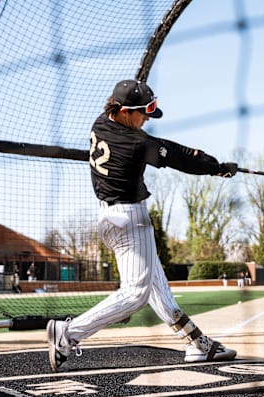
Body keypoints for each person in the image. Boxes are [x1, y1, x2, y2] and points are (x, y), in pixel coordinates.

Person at [46, 79, 238, 372]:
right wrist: (217, 167)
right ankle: (68, 333)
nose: (146, 119)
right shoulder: (135, 143)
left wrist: (211, 165)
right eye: (142, 113)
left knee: (158, 289)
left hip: (110, 219)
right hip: (130, 220)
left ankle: (197, 343)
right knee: (135, 294)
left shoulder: (101, 122)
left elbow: (165, 148)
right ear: (123, 111)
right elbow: (179, 156)